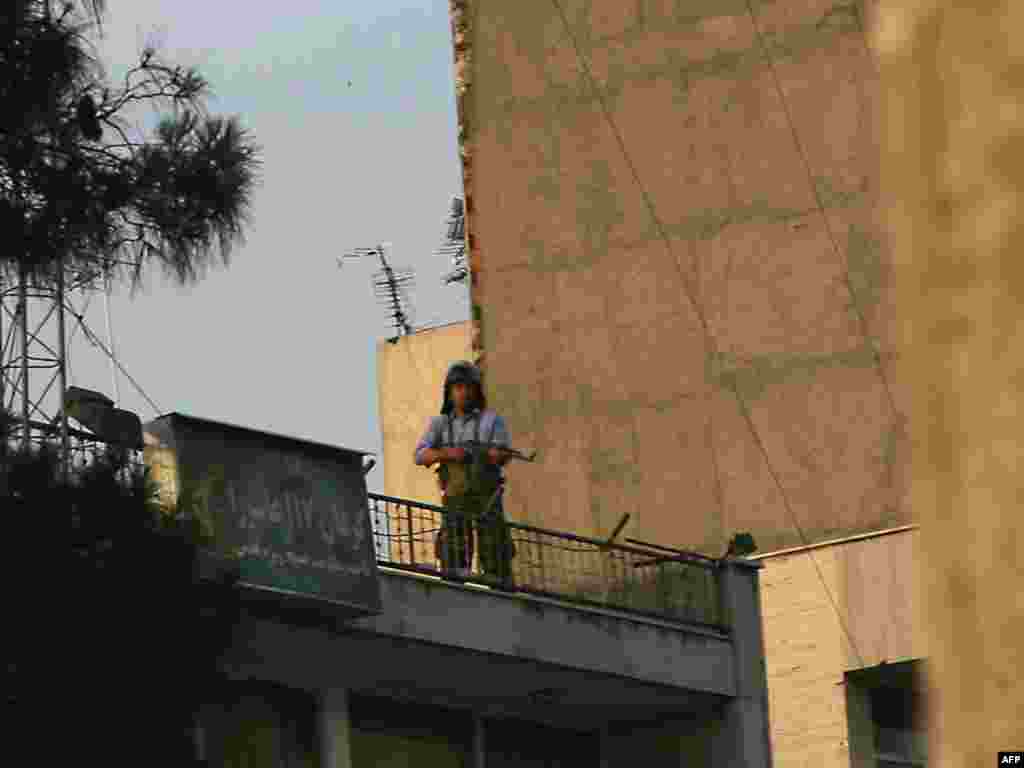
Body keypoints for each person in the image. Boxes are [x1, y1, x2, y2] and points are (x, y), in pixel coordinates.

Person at [414, 360, 516, 587]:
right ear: (449, 392)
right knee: (453, 556)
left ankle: (500, 588)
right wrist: (449, 453)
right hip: (455, 497)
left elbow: (504, 455)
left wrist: (489, 454)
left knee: (496, 552)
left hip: (487, 500)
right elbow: (421, 455)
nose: (464, 393)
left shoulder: (491, 421)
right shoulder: (440, 424)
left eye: (469, 387)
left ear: (477, 391)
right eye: (459, 387)